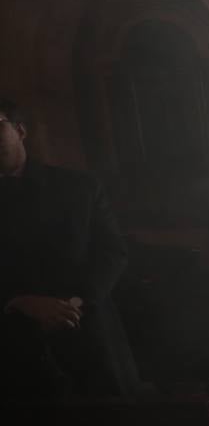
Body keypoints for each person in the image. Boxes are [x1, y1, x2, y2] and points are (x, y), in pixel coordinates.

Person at [1, 97, 139, 401]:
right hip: (12, 347)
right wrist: (19, 300)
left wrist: (72, 303)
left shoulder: (79, 187)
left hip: (87, 334)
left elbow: (112, 252)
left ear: (20, 130)